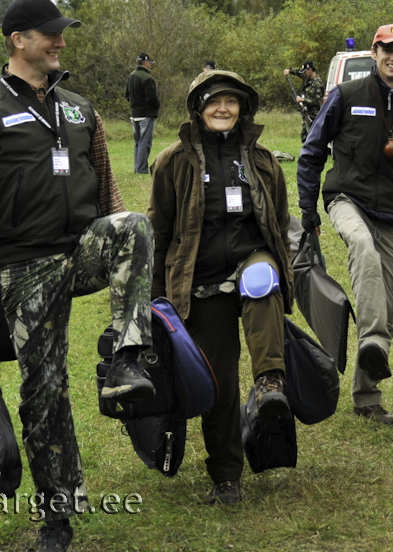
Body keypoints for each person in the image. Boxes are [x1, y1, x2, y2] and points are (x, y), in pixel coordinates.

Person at [0, 0, 155, 552]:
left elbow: (110, 191)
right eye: (50, 33)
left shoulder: (80, 108)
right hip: (25, 265)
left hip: (81, 246)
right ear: (19, 40)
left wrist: (124, 260)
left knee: (133, 223)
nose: (60, 41)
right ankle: (57, 514)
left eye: (62, 32)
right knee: (44, 391)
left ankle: (127, 357)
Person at [147, 69, 294, 505]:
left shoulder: (264, 160)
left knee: (260, 276)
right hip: (200, 282)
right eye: (214, 101)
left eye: (231, 101)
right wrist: (155, 298)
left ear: (243, 109)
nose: (223, 108)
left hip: (252, 261)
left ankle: (270, 382)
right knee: (220, 385)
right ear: (198, 108)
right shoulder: (173, 161)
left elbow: (280, 224)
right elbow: (157, 231)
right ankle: (227, 476)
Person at [297, 23, 393, 426]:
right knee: (361, 247)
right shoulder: (346, 95)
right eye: (387, 49)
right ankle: (374, 342)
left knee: (384, 299)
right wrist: (308, 207)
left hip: (390, 212)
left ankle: (366, 396)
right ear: (374, 53)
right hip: (345, 197)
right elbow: (312, 152)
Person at [127, 52, 159, 174]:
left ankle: (137, 167)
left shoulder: (131, 76)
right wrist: (156, 107)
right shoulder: (148, 78)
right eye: (149, 63)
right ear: (146, 63)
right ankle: (141, 169)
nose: (150, 65)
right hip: (146, 114)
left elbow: (127, 95)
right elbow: (151, 98)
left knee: (138, 142)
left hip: (134, 114)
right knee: (144, 143)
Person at [283, 61, 325, 142]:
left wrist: (302, 100)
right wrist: (290, 71)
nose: (304, 73)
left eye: (305, 71)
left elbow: (317, 101)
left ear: (310, 69)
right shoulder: (307, 78)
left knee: (313, 138)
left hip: (314, 115)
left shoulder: (317, 84)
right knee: (304, 137)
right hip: (306, 112)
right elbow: (299, 72)